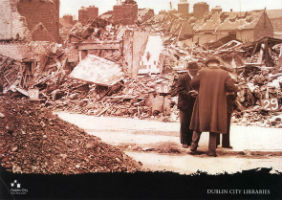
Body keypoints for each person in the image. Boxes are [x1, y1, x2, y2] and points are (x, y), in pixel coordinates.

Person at [189, 57, 237, 157]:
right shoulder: (224, 73)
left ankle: (193, 148)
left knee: (198, 125)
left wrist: (199, 89)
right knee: (214, 126)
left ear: (208, 64)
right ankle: (211, 151)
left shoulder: (202, 72)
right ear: (217, 64)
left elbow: (192, 83)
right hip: (217, 104)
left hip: (202, 102)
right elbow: (231, 87)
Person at [177, 62, 199, 148]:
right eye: (192, 70)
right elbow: (179, 90)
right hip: (184, 104)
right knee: (184, 123)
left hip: (194, 104)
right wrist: (189, 94)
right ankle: (184, 141)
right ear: (188, 69)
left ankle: (190, 141)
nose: (194, 71)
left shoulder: (198, 78)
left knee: (192, 123)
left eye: (195, 70)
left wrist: (197, 93)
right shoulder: (182, 78)